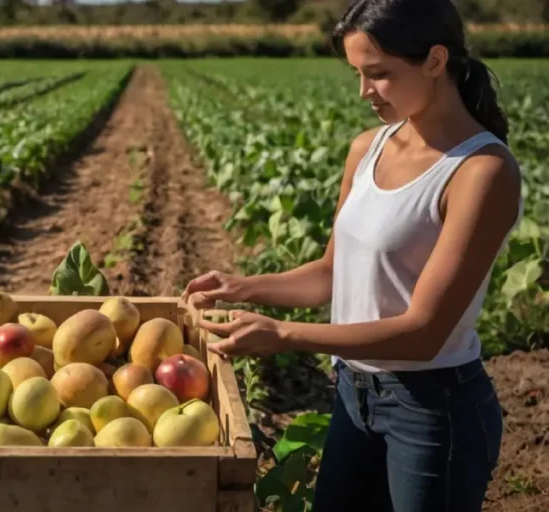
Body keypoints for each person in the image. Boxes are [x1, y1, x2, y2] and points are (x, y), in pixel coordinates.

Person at [180, 0, 523, 510]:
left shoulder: (480, 171)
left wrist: (284, 335)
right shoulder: (369, 148)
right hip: (352, 396)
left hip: (431, 409)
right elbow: (329, 274)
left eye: (379, 74)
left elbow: (425, 332)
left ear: (434, 60)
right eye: (357, 73)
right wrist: (241, 285)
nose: (364, 91)